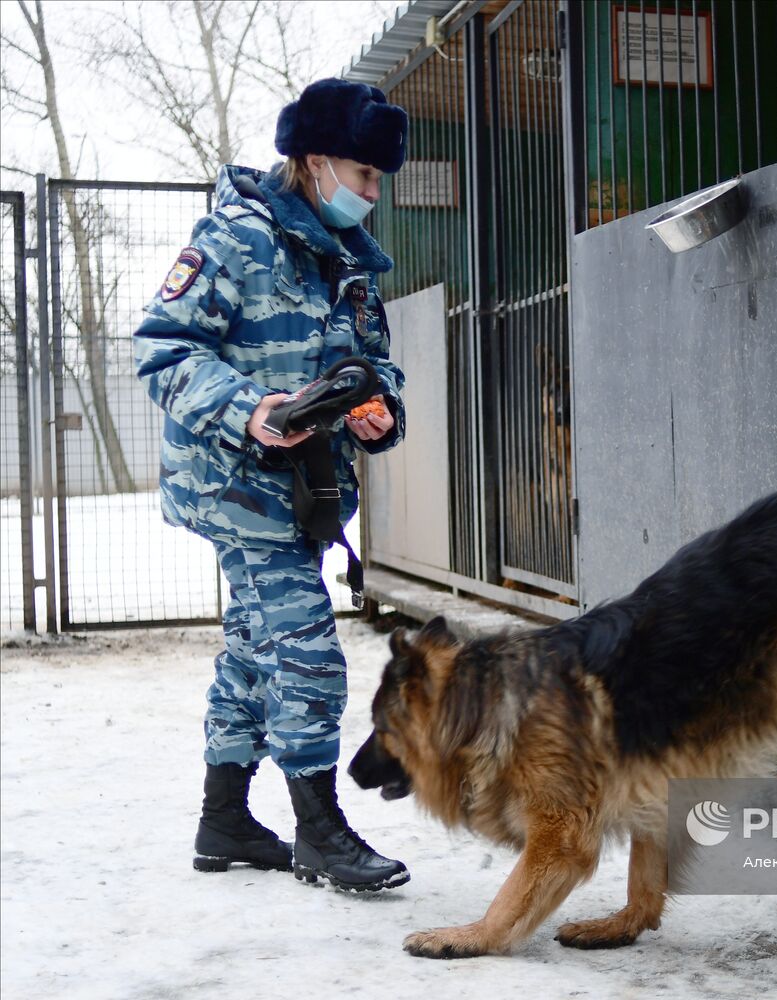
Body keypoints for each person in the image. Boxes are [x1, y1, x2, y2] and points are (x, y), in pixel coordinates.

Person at [134, 78, 411, 892]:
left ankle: (224, 821)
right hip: (235, 483)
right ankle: (319, 830)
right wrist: (249, 410)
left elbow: (376, 367)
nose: (371, 195)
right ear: (316, 161)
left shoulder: (353, 262)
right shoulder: (235, 239)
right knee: (306, 650)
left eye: (378, 182)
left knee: (254, 650)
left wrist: (376, 409)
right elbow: (164, 351)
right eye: (363, 177)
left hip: (307, 491)